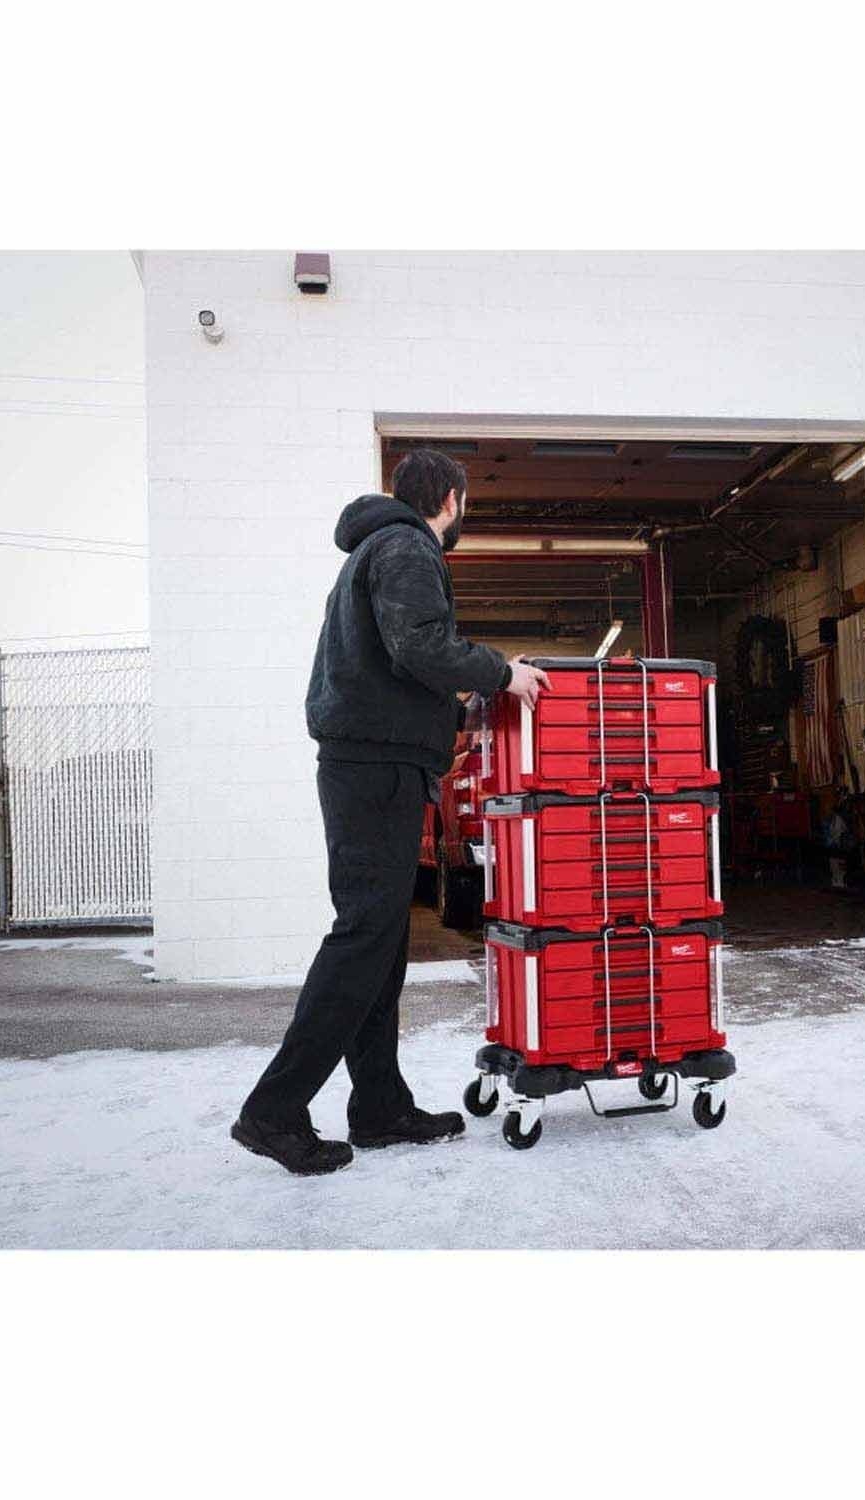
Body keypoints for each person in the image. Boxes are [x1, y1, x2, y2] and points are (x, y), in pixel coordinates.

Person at [231, 448, 550, 1175]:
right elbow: (420, 645)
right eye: (465, 503)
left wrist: (457, 714)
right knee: (363, 938)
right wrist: (501, 673)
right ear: (450, 498)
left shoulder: (377, 550)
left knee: (382, 944)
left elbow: (393, 667)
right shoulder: (407, 546)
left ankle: (378, 1106)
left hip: (377, 762)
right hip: (374, 770)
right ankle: (273, 1110)